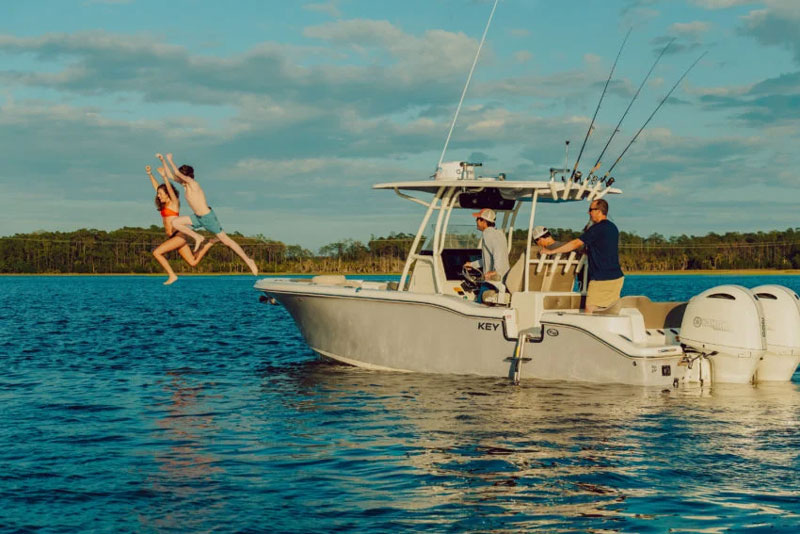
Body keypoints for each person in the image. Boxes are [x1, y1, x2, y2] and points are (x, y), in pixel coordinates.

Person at [158, 153, 259, 276]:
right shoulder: (185, 186)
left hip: (208, 217)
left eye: (181, 177)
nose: (179, 179)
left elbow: (178, 174)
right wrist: (163, 160)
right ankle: (197, 237)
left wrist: (170, 160)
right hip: (197, 218)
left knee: (227, 241)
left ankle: (249, 261)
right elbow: (170, 175)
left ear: (187, 176)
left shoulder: (193, 184)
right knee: (176, 222)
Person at [540, 199, 624, 313]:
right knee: (608, 310)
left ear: (599, 211)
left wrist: (551, 252)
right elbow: (603, 248)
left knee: (589, 310)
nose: (588, 212)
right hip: (617, 277)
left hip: (602, 279)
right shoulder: (613, 227)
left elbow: (575, 243)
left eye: (591, 210)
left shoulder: (596, 229)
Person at [145, 165, 218, 285]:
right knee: (192, 262)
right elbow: (156, 187)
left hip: (179, 235)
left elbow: (169, 190)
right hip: (173, 237)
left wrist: (165, 177)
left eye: (161, 194)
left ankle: (172, 275)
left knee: (157, 252)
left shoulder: (174, 203)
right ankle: (210, 243)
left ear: (168, 194)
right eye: (158, 194)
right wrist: (150, 174)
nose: (158, 196)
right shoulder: (164, 204)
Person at [464, 207, 510, 282]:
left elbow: (498, 253)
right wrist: (472, 264)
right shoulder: (499, 233)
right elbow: (487, 259)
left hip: (493, 280)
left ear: (484, 221)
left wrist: (495, 272)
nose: (476, 221)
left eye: (478, 219)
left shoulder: (488, 234)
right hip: (503, 278)